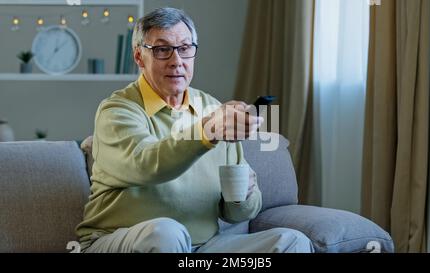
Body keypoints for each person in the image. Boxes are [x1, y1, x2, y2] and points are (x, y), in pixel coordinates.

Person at [76, 7, 314, 253]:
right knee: (165, 233)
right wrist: (206, 131)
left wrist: (244, 195)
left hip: (203, 247)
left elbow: (237, 213)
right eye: (162, 50)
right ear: (139, 57)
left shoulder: (211, 107)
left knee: (292, 242)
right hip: (121, 240)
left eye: (185, 48)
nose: (176, 61)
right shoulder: (117, 110)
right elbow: (146, 164)